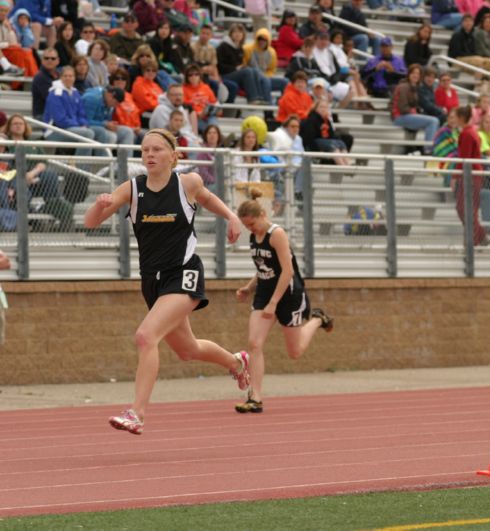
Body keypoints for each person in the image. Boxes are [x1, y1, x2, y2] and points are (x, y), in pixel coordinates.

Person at [84, 129, 251, 435]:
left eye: (157, 149)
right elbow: (91, 222)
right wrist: (100, 204)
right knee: (187, 350)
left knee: (146, 336)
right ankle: (237, 363)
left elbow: (208, 198)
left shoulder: (188, 182)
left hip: (183, 272)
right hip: (152, 281)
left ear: (174, 155)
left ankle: (137, 413)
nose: (150, 154)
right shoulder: (132, 188)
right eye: (145, 150)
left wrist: (231, 216)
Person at [233, 189, 334, 413]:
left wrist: (274, 303)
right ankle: (255, 397)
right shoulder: (253, 236)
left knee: (295, 352)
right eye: (246, 226)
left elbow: (287, 272)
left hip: (288, 295)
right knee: (254, 343)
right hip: (264, 293)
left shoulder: (276, 234)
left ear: (261, 215)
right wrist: (249, 288)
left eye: (251, 224)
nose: (250, 229)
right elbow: (263, 268)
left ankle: (318, 318)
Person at [453, 105, 490, 247]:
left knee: (465, 208)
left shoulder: (466, 134)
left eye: (456, 116)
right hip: (475, 174)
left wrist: (455, 177)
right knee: (467, 207)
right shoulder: (471, 132)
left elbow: (464, 159)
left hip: (470, 175)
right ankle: (477, 237)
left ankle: (478, 236)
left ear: (462, 118)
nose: (455, 119)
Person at [391, 65, 440, 151]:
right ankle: (428, 150)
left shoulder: (415, 87)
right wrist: (414, 110)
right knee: (433, 121)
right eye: (413, 73)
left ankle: (430, 148)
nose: (415, 75)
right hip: (399, 117)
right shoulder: (404, 87)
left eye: (418, 73)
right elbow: (402, 108)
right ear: (409, 74)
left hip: (408, 116)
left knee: (435, 120)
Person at [32, 48, 60, 119]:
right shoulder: (40, 77)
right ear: (42, 60)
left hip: (56, 113)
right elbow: (52, 100)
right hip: (43, 115)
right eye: (46, 58)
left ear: (58, 61)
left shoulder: (60, 75)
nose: (49, 60)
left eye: (53, 58)